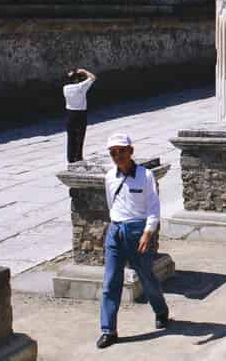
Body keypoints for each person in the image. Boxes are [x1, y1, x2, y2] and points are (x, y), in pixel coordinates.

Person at [97, 133, 169, 349]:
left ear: (131, 151)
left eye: (121, 151)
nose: (117, 156)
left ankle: (161, 311)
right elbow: (112, 205)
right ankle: (108, 329)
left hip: (138, 231)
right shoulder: (110, 177)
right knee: (110, 281)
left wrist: (148, 232)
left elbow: (153, 207)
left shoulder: (145, 176)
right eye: (113, 153)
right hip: (116, 230)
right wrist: (115, 226)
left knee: (146, 277)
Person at [63, 68, 96, 163]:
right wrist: (84, 71)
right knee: (80, 136)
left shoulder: (65, 88)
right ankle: (78, 157)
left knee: (71, 137)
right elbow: (93, 77)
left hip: (69, 113)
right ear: (76, 79)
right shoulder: (80, 87)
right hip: (80, 114)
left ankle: (70, 158)